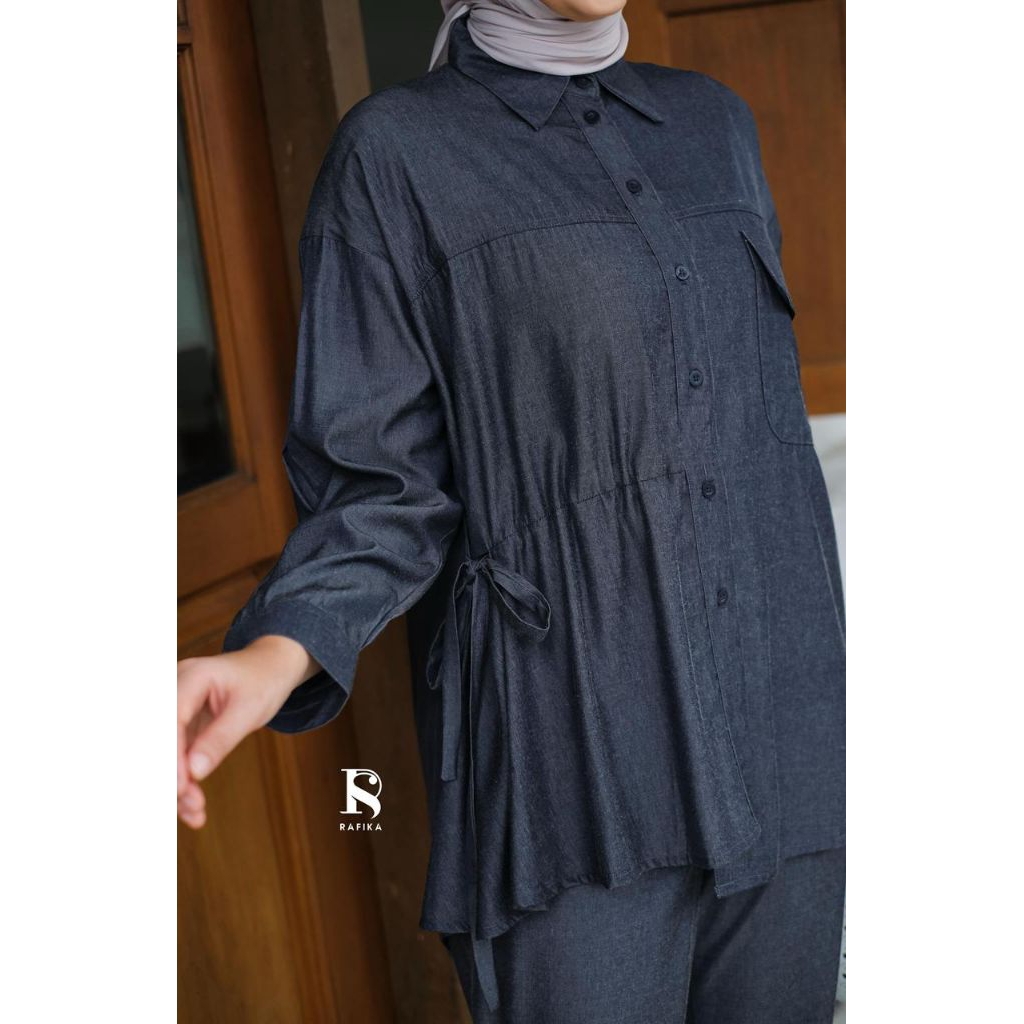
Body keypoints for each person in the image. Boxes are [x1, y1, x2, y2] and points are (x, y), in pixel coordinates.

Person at [177, 1, 846, 1020]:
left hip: (786, 726)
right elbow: (382, 486)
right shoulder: (397, 157)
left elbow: (752, 432)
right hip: (572, 761)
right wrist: (276, 652)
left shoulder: (715, 122)